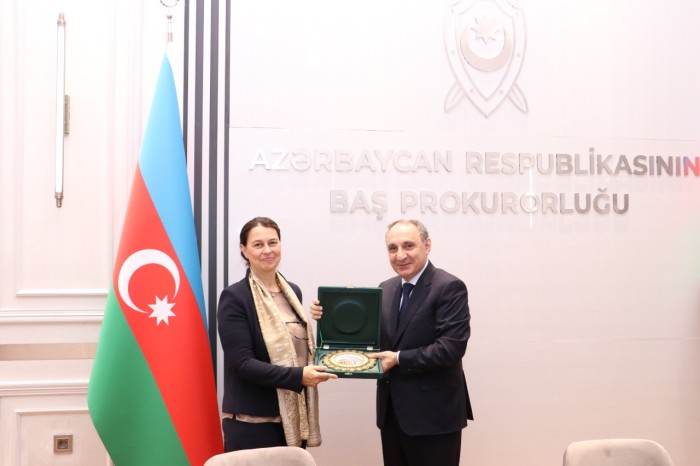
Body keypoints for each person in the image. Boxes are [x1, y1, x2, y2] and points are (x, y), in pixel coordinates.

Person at [311, 218, 472, 466]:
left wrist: (397, 359)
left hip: (434, 418)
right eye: (392, 248)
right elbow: (370, 341)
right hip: (392, 416)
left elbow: (450, 349)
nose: (400, 255)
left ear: (427, 245)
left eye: (409, 246)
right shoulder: (386, 288)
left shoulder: (449, 286)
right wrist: (328, 316)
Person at [217, 216, 337, 452]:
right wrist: (298, 377)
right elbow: (242, 363)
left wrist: (327, 322)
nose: (267, 250)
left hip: (293, 423)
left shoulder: (293, 292)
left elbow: (299, 349)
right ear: (244, 250)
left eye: (273, 242)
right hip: (252, 423)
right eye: (258, 244)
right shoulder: (235, 297)